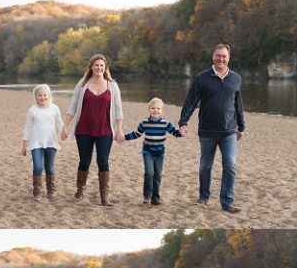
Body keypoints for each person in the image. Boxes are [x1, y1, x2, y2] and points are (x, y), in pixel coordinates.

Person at [178, 44, 244, 214]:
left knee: (230, 165)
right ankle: (204, 196)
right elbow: (191, 102)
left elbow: (238, 104)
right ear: (213, 57)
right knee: (206, 165)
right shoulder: (201, 78)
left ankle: (227, 201)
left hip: (229, 130)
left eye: (224, 56)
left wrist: (241, 126)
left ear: (228, 58)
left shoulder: (236, 78)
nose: (221, 59)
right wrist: (183, 122)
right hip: (207, 130)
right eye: (218, 55)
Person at [61, 54, 124, 206]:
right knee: (84, 161)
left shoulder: (112, 86)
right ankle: (80, 189)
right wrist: (65, 125)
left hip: (105, 130)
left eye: (102, 65)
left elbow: (118, 109)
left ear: (105, 68)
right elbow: (73, 107)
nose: (99, 68)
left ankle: (104, 196)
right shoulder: (82, 84)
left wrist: (119, 130)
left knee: (103, 161)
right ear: (91, 67)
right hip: (83, 130)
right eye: (96, 65)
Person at [123, 97, 182, 205]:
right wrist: (124, 137)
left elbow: (175, 133)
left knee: (157, 175)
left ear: (162, 110)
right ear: (149, 109)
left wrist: (181, 133)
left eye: (158, 108)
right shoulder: (144, 123)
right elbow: (137, 134)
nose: (155, 110)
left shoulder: (165, 123)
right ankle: (147, 195)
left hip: (159, 154)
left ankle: (155, 197)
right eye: (153, 108)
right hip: (148, 152)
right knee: (149, 173)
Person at [21, 84, 63, 200]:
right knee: (38, 167)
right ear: (36, 96)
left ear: (49, 95)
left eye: (45, 95)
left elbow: (59, 123)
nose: (43, 97)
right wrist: (24, 145)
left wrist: (63, 132)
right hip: (36, 144)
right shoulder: (32, 110)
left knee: (49, 167)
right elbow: (28, 128)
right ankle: (37, 192)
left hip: (51, 142)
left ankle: (51, 190)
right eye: (40, 95)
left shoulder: (54, 108)